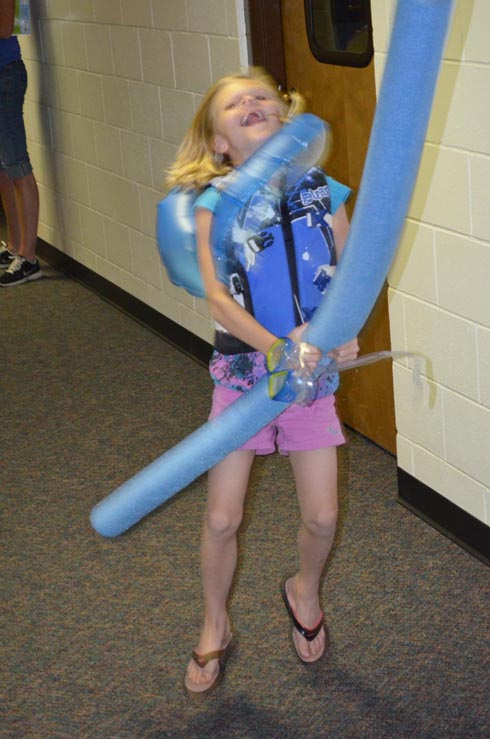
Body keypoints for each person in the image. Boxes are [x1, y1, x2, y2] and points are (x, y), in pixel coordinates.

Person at [166, 68, 359, 695]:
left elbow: (352, 275)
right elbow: (219, 302)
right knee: (222, 518)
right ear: (219, 142)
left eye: (262, 98)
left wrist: (341, 334)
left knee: (324, 515)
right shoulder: (213, 205)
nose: (251, 103)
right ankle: (215, 619)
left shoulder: (324, 192)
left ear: (288, 119)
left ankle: (304, 589)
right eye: (233, 103)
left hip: (309, 376)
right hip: (249, 372)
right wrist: (279, 350)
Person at [0, 0, 41, 286]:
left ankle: (29, 258)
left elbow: (4, 27)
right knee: (3, 169)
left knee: (17, 166)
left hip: (5, 76)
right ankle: (14, 245)